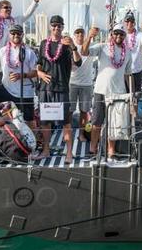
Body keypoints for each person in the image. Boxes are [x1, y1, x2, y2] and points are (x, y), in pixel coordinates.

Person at [82, 24, 133, 160]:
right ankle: (93, 149)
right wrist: (90, 36)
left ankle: (111, 151)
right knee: (96, 122)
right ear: (111, 34)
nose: (118, 36)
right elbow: (84, 52)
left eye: (121, 34)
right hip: (101, 90)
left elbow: (128, 75)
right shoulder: (102, 46)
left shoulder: (128, 52)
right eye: (116, 33)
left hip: (119, 93)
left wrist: (131, 94)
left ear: (124, 36)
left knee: (114, 124)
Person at [35, 15, 82, 162]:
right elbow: (39, 64)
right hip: (45, 89)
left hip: (62, 89)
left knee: (66, 123)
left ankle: (69, 153)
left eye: (59, 26)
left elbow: (78, 62)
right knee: (45, 123)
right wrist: (40, 73)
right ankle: (46, 150)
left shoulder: (67, 44)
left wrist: (73, 47)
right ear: (50, 27)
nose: (56, 28)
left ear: (63, 27)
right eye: (54, 25)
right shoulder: (43, 44)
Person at [0, 24, 38, 128]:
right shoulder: (3, 51)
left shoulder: (29, 52)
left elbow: (36, 72)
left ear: (22, 35)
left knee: (29, 120)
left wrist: (21, 75)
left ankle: (34, 142)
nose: (16, 35)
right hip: (6, 88)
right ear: (9, 35)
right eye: (13, 33)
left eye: (18, 33)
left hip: (25, 92)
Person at [70, 25, 95, 142]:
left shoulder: (91, 47)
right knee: (69, 111)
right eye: (77, 33)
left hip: (87, 84)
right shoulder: (68, 49)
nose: (80, 35)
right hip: (72, 83)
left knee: (84, 112)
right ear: (74, 36)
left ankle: (81, 134)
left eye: (81, 33)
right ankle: (68, 134)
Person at [124, 11, 142, 93]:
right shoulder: (120, 35)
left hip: (136, 71)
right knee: (123, 97)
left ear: (134, 23)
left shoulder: (139, 35)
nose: (129, 23)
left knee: (135, 97)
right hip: (122, 72)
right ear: (124, 22)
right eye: (127, 21)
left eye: (132, 21)